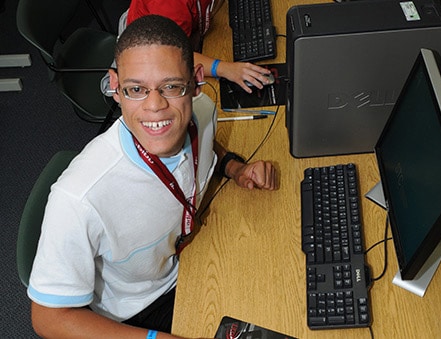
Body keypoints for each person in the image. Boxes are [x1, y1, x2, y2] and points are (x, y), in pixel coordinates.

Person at [28, 14, 277, 338]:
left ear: (196, 82)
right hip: (138, 311)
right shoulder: (80, 198)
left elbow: (203, 145)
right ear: (115, 88)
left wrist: (235, 168)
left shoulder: (201, 112)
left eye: (172, 86)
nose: (155, 106)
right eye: (137, 89)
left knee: (278, 283)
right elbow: (48, 318)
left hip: (184, 258)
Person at [123, 0, 273, 93]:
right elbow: (170, 56)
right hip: (155, 59)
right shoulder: (169, 3)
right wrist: (225, 69)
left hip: (186, 38)